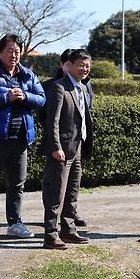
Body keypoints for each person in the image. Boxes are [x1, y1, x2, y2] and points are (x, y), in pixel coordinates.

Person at [0, 34, 46, 241]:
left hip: (20, 138)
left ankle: (14, 223)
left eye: (17, 51)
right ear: (0, 52)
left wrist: (25, 96)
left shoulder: (27, 75)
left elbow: (42, 99)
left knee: (17, 184)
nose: (13, 55)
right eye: (9, 51)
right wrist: (5, 97)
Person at [40, 49, 94, 249]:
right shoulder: (59, 87)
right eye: (80, 65)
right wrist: (55, 146)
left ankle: (69, 230)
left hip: (77, 146)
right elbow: (51, 121)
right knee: (56, 193)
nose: (84, 69)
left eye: (87, 65)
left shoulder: (82, 88)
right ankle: (50, 234)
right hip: (61, 149)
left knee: (72, 191)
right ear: (68, 65)